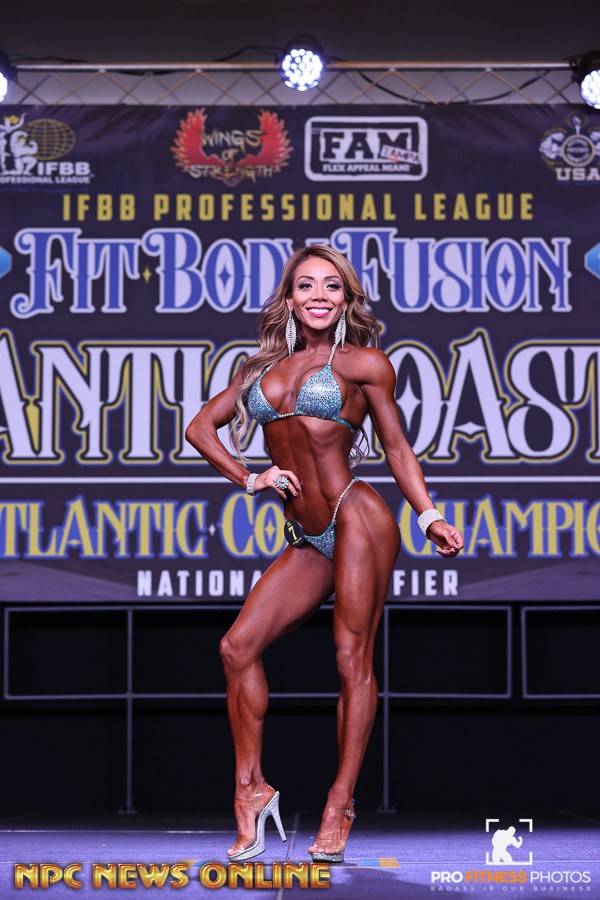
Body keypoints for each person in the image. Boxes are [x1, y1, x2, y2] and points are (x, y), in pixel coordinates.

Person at [185, 244, 463, 864]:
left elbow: (395, 446)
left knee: (349, 658)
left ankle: (340, 804)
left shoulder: (365, 364)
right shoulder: (259, 369)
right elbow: (199, 428)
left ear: (345, 299)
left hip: (357, 516)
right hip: (307, 535)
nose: (318, 295)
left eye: (331, 286)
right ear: (289, 298)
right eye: (306, 285)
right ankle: (251, 789)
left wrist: (430, 516)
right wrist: (250, 477)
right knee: (236, 648)